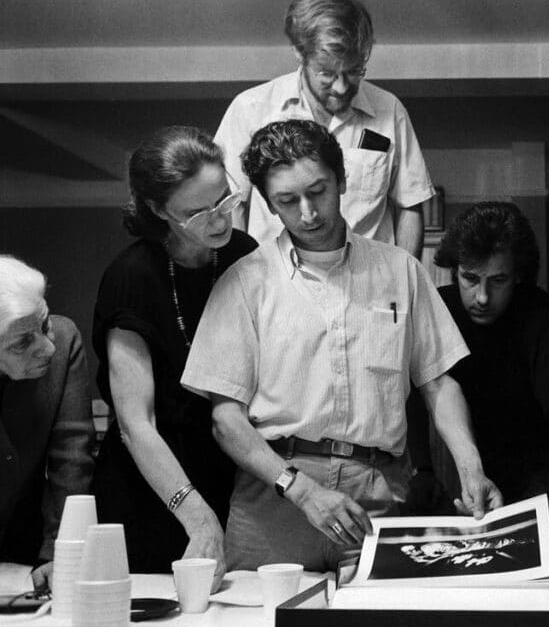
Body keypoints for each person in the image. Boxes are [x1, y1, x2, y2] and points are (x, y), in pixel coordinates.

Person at [181, 119, 501, 571]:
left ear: (343, 180)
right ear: (270, 206)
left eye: (319, 192)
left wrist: (469, 463)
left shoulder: (400, 271)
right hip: (276, 497)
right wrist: (302, 490)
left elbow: (438, 383)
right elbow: (226, 420)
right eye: (288, 201)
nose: (308, 213)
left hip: (378, 494)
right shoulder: (244, 282)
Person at [92, 127, 257, 586]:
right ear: (159, 210)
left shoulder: (245, 255)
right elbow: (134, 424)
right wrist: (198, 517)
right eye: (198, 212)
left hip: (230, 474)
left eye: (225, 199)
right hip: (152, 487)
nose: (221, 219)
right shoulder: (132, 276)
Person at [215, 0, 434, 255]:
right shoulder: (250, 109)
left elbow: (410, 205)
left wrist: (405, 282)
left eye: (354, 71)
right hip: (276, 286)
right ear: (299, 52)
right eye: (327, 74)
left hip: (368, 286)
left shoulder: (391, 111)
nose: (342, 87)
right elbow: (232, 205)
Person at [431, 201, 549, 557]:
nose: (482, 297)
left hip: (538, 482)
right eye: (470, 278)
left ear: (518, 275)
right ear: (453, 270)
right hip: (458, 480)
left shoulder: (538, 312)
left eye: (498, 280)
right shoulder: (436, 310)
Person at [0, 256, 94, 592]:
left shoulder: (65, 339)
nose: (48, 347)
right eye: (22, 343)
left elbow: (72, 454)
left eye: (43, 326)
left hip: (28, 539)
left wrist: (60, 551)